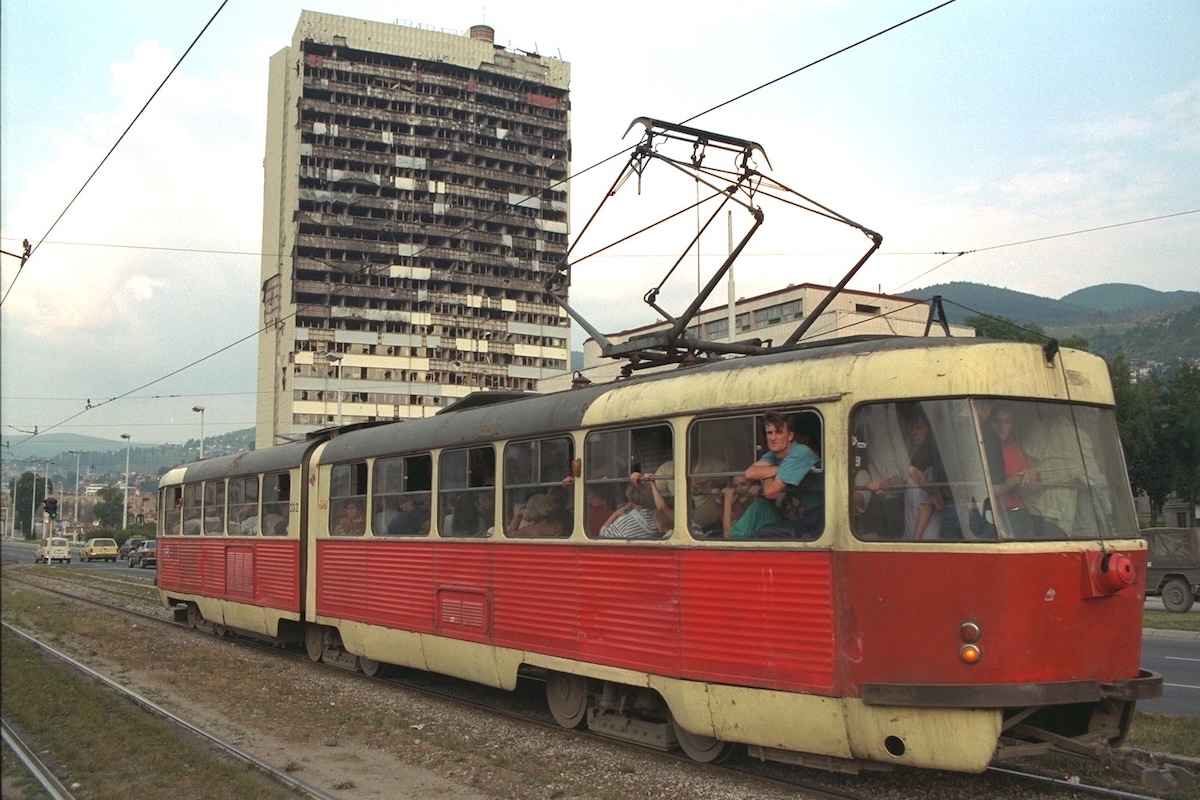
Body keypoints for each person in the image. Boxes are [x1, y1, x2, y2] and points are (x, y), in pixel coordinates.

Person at [731, 412, 822, 539]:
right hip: (789, 516)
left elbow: (770, 492)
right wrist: (778, 469)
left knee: (764, 532)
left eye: (779, 432)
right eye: (769, 433)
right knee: (760, 508)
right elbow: (750, 473)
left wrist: (765, 472)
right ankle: (732, 544)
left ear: (790, 436)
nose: (773, 438)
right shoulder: (773, 454)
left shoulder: (800, 453)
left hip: (813, 520)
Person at [598, 473, 661, 539]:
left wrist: (615, 514)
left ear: (632, 501)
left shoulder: (625, 522)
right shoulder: (657, 518)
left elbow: (601, 536)